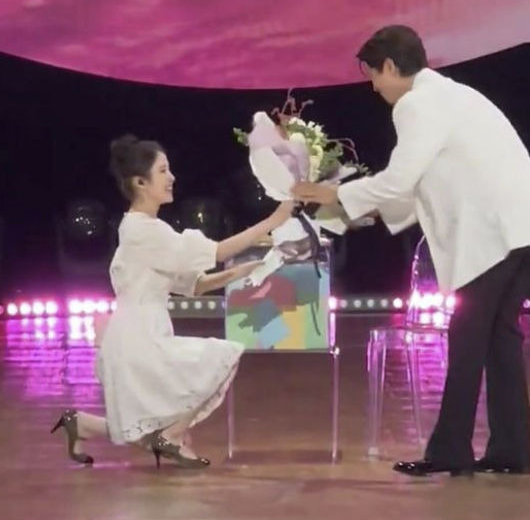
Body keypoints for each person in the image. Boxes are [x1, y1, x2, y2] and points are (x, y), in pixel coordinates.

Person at [292, 25, 530, 476]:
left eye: (373, 75)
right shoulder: (453, 95)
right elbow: (417, 185)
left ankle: (450, 452)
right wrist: (356, 210)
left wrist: (333, 195)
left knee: (469, 337)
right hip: (520, 228)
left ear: (389, 66)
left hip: (491, 235)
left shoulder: (416, 104)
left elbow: (400, 179)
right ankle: (512, 451)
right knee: (501, 337)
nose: (374, 87)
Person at [51, 134, 294, 469]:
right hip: (139, 339)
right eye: (163, 171)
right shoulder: (144, 231)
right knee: (222, 357)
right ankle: (172, 436)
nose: (172, 178)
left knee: (143, 430)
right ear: (140, 182)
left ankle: (83, 424)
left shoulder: (145, 230)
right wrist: (274, 219)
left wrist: (242, 270)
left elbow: (194, 285)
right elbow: (217, 251)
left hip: (138, 334)